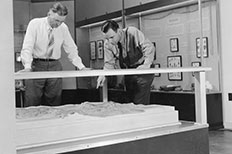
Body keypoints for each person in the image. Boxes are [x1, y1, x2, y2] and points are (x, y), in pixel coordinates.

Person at [20, 2, 89, 107]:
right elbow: (27, 47)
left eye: (61, 21)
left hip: (55, 66)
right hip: (37, 65)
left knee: (54, 100)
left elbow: (71, 48)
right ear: (49, 14)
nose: (58, 24)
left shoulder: (63, 28)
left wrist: (81, 67)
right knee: (32, 100)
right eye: (56, 20)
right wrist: (27, 67)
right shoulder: (35, 24)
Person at [97, 20, 155, 105]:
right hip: (128, 71)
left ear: (119, 31)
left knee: (139, 102)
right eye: (106, 38)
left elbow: (148, 47)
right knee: (130, 102)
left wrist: (146, 65)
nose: (109, 41)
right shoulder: (107, 44)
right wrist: (103, 74)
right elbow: (109, 64)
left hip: (143, 71)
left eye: (112, 37)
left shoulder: (132, 32)